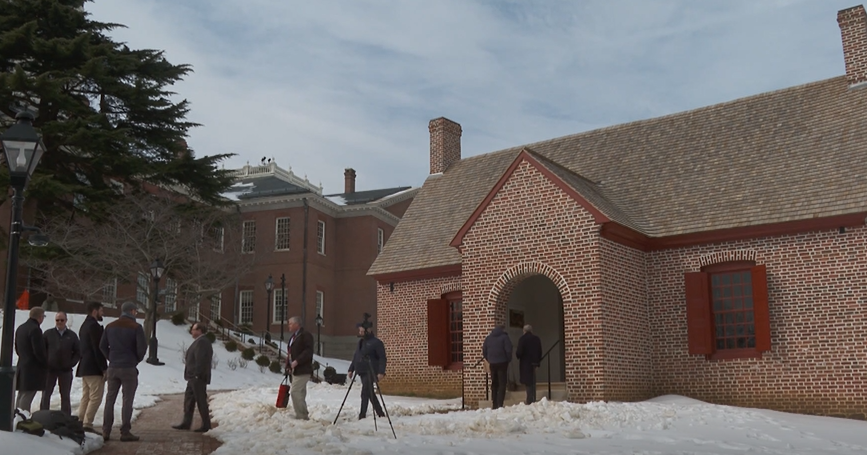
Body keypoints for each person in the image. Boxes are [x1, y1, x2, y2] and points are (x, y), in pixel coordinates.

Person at [100, 301, 146, 442]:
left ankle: (106, 430)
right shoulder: (136, 327)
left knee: (110, 399)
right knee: (127, 400)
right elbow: (142, 348)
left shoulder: (110, 326)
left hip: (113, 367)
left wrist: (111, 357)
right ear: (132, 311)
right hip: (128, 368)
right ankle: (125, 431)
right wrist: (135, 360)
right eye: (135, 311)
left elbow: (102, 346)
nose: (136, 313)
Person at [172, 321, 213, 432]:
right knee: (189, 400)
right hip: (193, 378)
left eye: (194, 329)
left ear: (199, 330)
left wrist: (197, 374)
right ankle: (186, 422)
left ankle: (206, 425)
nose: (191, 331)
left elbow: (201, 359)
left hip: (197, 377)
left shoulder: (202, 342)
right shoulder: (199, 341)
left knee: (201, 401)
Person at [41, 311, 81, 415]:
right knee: (46, 394)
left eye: (62, 320)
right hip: (50, 370)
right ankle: (43, 415)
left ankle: (66, 417)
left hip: (65, 370)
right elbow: (42, 350)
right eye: (57, 320)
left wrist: (71, 363)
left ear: (66, 321)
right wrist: (46, 362)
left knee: (65, 395)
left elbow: (78, 351)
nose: (59, 322)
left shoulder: (72, 335)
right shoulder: (48, 334)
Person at [77, 302, 108, 430]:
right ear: (94, 311)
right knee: (96, 397)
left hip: (84, 366)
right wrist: (104, 368)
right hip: (94, 367)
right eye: (101, 311)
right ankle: (87, 424)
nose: (102, 313)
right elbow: (98, 348)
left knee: (86, 397)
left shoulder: (84, 326)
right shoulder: (94, 326)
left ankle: (80, 421)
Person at [347, 322, 386, 420]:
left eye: (362, 331)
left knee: (365, 392)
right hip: (362, 371)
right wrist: (351, 369)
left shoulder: (376, 343)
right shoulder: (361, 342)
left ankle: (362, 415)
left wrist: (381, 372)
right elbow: (356, 356)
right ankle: (380, 413)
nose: (360, 333)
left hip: (371, 370)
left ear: (368, 330)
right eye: (359, 331)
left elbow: (382, 358)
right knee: (369, 392)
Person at [14, 306, 47, 413]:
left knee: (21, 394)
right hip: (32, 369)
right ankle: (23, 417)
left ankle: (17, 415)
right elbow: (38, 351)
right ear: (40, 317)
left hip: (22, 365)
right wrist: (45, 363)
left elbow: (17, 348)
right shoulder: (35, 330)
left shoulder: (21, 328)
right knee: (27, 396)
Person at [283, 316, 314, 420]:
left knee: (295, 391)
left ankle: (302, 415)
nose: (289, 326)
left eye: (291, 324)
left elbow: (308, 351)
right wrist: (288, 365)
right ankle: (302, 414)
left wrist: (297, 361)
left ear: (297, 324)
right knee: (300, 393)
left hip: (303, 369)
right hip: (295, 370)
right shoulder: (293, 337)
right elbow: (290, 353)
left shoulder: (305, 335)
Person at [482, 324, 512, 409]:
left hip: (492, 363)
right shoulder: (505, 337)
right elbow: (508, 350)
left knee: (494, 383)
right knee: (502, 383)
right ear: (503, 329)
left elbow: (484, 350)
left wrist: (489, 359)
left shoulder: (488, 338)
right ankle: (500, 403)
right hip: (502, 362)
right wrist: (508, 359)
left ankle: (494, 403)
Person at [515, 324, 542, 405]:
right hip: (534, 362)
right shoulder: (536, 339)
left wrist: (518, 355)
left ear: (524, 331)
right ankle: (533, 398)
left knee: (528, 382)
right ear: (531, 330)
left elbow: (519, 352)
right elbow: (540, 351)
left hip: (525, 363)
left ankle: (529, 399)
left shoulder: (522, 339)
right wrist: (538, 362)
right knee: (533, 381)